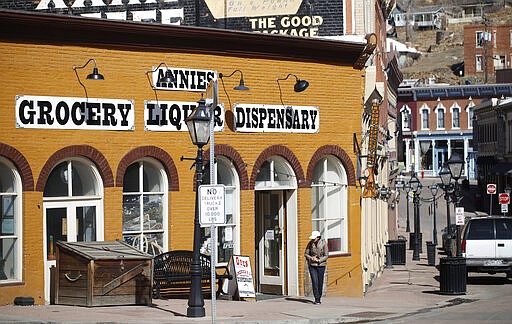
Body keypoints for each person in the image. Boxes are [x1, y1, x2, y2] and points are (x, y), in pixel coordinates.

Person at [304, 230, 328, 304]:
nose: (313, 240)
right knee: (314, 281)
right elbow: (306, 253)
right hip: (312, 265)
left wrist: (319, 260)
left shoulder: (324, 243)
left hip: (321, 265)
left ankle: (319, 296)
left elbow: (326, 255)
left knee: (320, 281)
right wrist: (311, 258)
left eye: (314, 238)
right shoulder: (310, 243)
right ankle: (316, 298)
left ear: (318, 238)